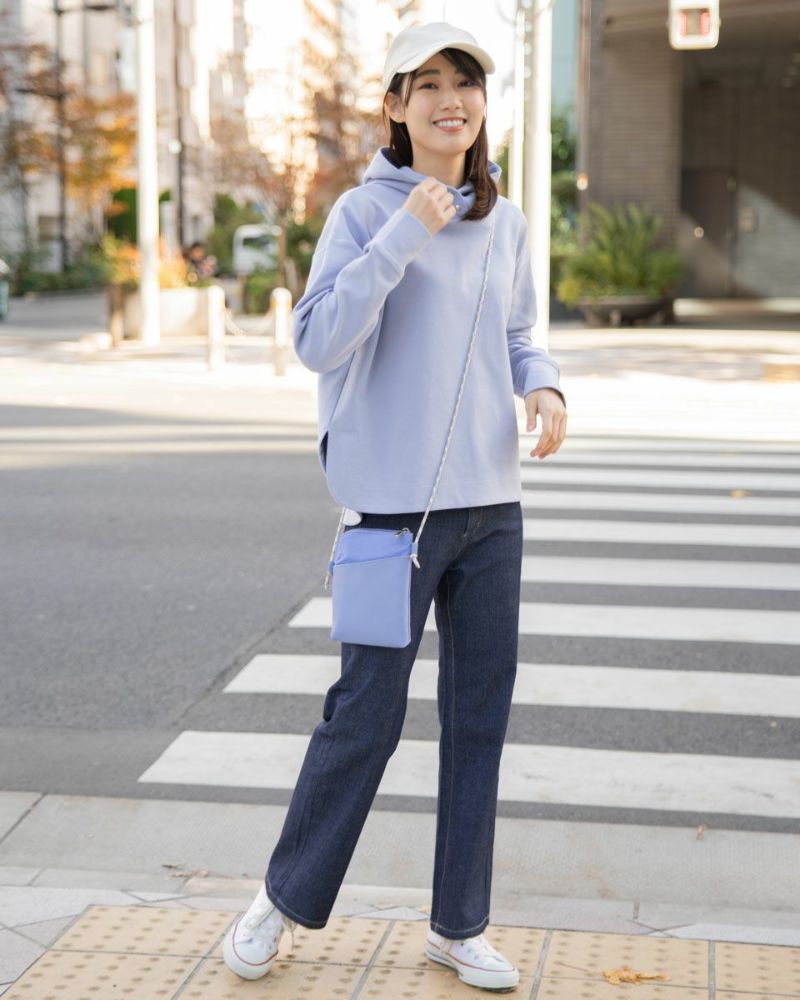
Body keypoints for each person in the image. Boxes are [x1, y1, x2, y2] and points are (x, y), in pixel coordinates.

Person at [223, 20, 567, 992]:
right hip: (389, 518)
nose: (451, 100)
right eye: (429, 84)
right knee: (362, 718)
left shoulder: (504, 221)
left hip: (491, 510)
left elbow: (517, 333)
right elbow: (316, 341)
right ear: (395, 105)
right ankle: (280, 901)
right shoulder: (361, 212)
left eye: (466, 83)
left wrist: (543, 384)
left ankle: (459, 925)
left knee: (477, 721)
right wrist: (404, 232)